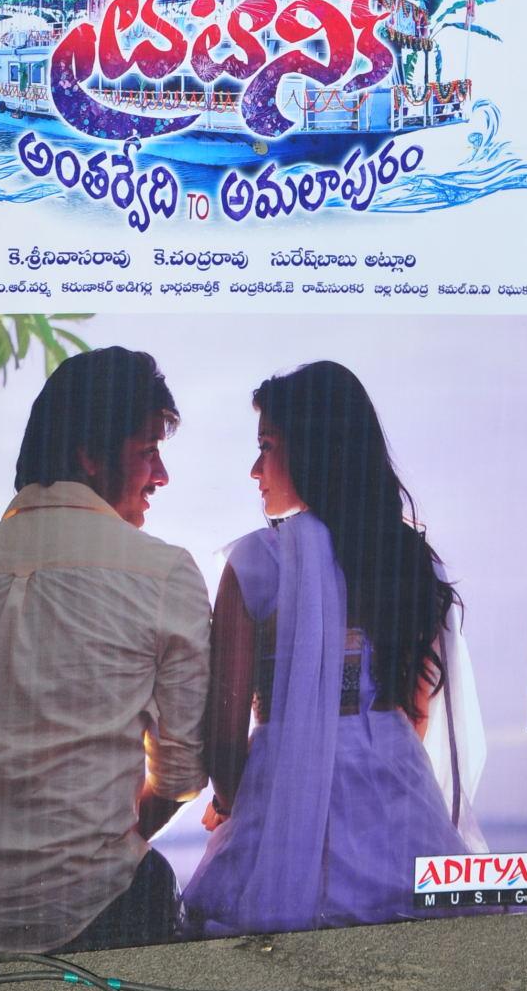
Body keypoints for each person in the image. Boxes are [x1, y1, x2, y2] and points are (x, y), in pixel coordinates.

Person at [0, 347, 210, 953]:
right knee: (152, 877)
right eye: (147, 452)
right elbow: (181, 775)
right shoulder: (163, 574)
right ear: (90, 456)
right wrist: (78, 846)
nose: (161, 476)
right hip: (86, 915)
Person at [182, 362, 484, 937]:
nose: (254, 470)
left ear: (314, 450)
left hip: (282, 799)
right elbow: (415, 714)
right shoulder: (409, 560)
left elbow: (224, 733)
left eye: (266, 447)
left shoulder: (256, 563)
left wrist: (230, 803)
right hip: (399, 797)